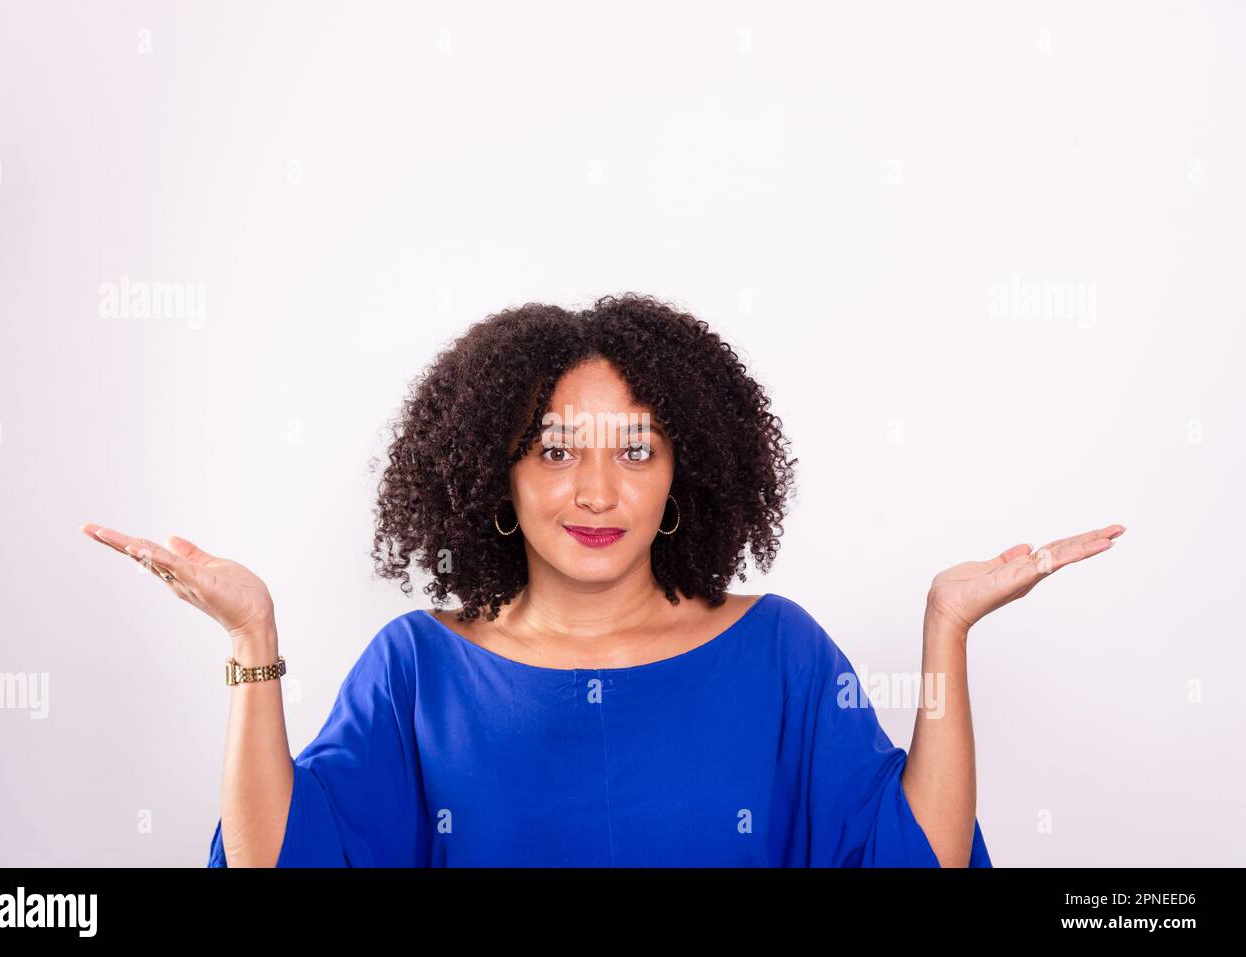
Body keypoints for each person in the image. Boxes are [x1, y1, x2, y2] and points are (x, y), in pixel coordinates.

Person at [79, 292, 1123, 867]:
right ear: (495, 470)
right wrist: (252, 644)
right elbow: (284, 865)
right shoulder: (419, 669)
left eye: (633, 451)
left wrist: (946, 630)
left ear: (684, 474)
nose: (594, 491)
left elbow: (913, 863)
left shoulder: (778, 653)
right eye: (552, 451)